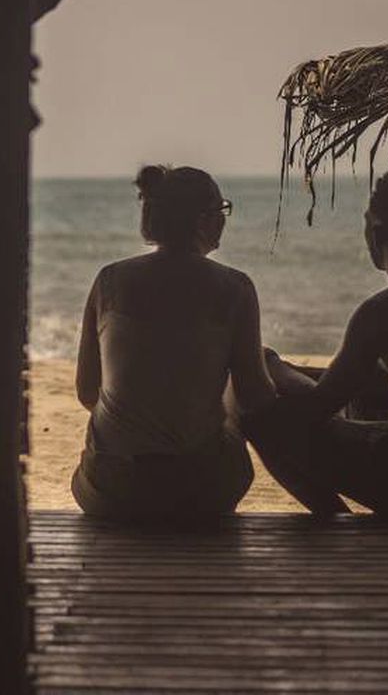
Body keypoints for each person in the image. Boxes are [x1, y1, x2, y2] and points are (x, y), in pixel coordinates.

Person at [243, 170, 388, 520]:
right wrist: (291, 373)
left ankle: (337, 521)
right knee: (364, 391)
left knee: (262, 420)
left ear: (376, 231)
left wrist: (270, 365)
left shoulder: (386, 308)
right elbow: (362, 380)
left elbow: (318, 408)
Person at [71, 165, 277, 521]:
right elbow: (256, 395)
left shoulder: (110, 281)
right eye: (220, 210)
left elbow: (88, 391)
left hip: (112, 489)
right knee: (254, 375)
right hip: (200, 491)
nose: (224, 220)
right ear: (202, 220)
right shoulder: (235, 288)